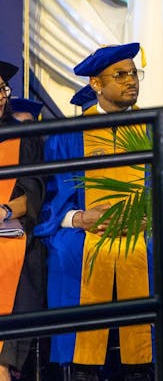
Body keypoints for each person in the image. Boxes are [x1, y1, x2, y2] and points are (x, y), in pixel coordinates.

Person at [37, 43, 153, 381]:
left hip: (144, 231)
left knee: (157, 248)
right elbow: (51, 198)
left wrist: (153, 216)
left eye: (134, 73)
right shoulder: (69, 135)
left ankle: (146, 363)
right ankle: (81, 366)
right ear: (96, 85)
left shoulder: (154, 128)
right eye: (120, 75)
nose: (131, 81)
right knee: (68, 250)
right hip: (85, 233)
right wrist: (79, 218)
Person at [0, 61, 45, 381]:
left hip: (11, 232)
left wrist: (3, 211)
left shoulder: (20, 135)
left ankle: (3, 368)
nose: (1, 96)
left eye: (2, 89)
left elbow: (33, 193)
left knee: (29, 262)